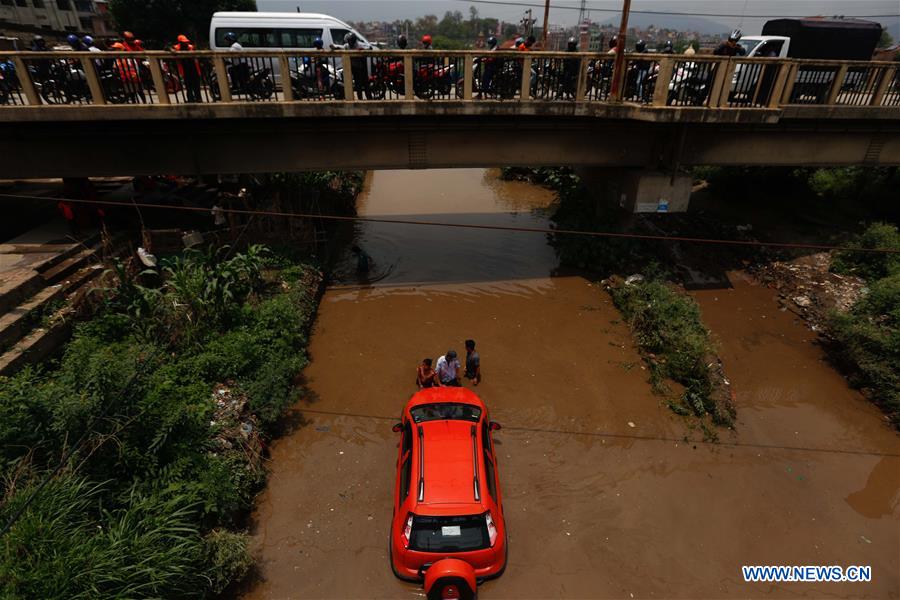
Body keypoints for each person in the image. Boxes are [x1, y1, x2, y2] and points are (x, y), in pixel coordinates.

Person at [172, 34, 202, 102]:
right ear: (180, 43)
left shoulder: (191, 47)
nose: (185, 43)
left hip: (194, 69)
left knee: (196, 86)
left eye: (186, 42)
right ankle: (190, 99)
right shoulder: (177, 48)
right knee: (189, 87)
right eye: (183, 42)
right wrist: (173, 51)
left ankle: (198, 99)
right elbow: (167, 48)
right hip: (185, 70)